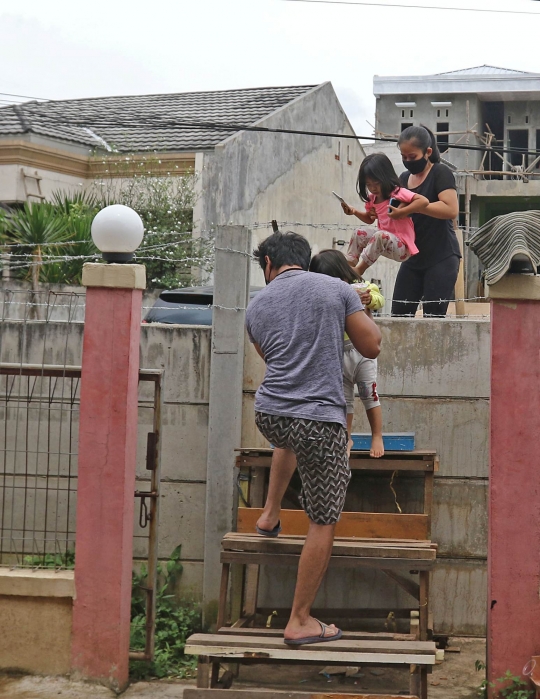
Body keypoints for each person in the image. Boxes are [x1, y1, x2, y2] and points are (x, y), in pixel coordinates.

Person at [246, 231, 381, 646]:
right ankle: (300, 620)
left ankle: (269, 514)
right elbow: (371, 346)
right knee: (323, 518)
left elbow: (274, 360)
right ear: (303, 260)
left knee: (290, 434)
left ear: (269, 263)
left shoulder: (256, 305)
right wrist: (354, 308)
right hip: (320, 422)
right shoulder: (335, 288)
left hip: (270, 414)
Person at [309, 248, 384, 458]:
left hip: (361, 352)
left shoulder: (359, 286)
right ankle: (346, 438)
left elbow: (379, 297)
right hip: (337, 352)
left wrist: (369, 300)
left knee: (370, 394)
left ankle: (377, 435)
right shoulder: (321, 297)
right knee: (344, 400)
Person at [391, 125, 460, 317]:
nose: (407, 161)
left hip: (441, 257)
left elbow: (451, 209)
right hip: (412, 258)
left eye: (412, 157)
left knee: (433, 318)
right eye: (403, 157)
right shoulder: (404, 178)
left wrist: (418, 205)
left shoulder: (440, 173)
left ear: (427, 152)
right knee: (399, 316)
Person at [341, 153, 429, 276]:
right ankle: (348, 268)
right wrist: (354, 211)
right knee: (358, 233)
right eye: (368, 185)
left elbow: (424, 201)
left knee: (380, 235)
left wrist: (402, 212)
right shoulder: (372, 199)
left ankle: (359, 270)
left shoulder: (397, 193)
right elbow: (369, 219)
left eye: (376, 183)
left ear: (385, 177)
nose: (372, 188)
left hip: (402, 247)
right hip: (383, 242)